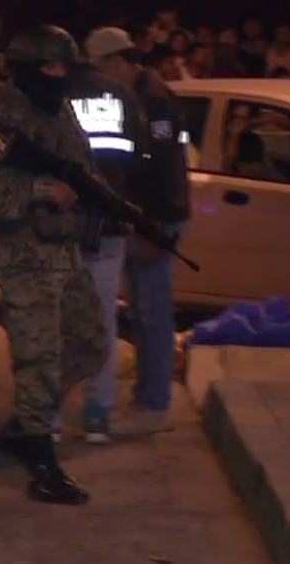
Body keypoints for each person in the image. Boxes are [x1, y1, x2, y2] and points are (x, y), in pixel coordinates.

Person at [0, 25, 110, 504]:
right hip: (23, 254)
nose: (60, 75)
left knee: (91, 343)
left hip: (64, 250)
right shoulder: (4, 116)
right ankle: (41, 463)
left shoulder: (60, 110)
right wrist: (43, 191)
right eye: (51, 67)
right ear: (27, 69)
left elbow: (80, 164)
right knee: (37, 357)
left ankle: (25, 423)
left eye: (65, 67)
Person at [85, 27, 192, 437]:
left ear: (116, 61)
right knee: (142, 310)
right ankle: (148, 393)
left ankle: (154, 400)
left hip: (158, 218)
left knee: (152, 311)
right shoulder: (137, 96)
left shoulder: (155, 101)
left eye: (101, 68)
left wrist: (152, 227)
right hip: (144, 216)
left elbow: (163, 170)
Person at [53, 50, 149, 443]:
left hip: (60, 226)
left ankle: (52, 417)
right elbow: (143, 155)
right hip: (108, 225)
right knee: (103, 320)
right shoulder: (121, 94)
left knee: (57, 323)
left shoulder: (50, 94)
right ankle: (97, 415)